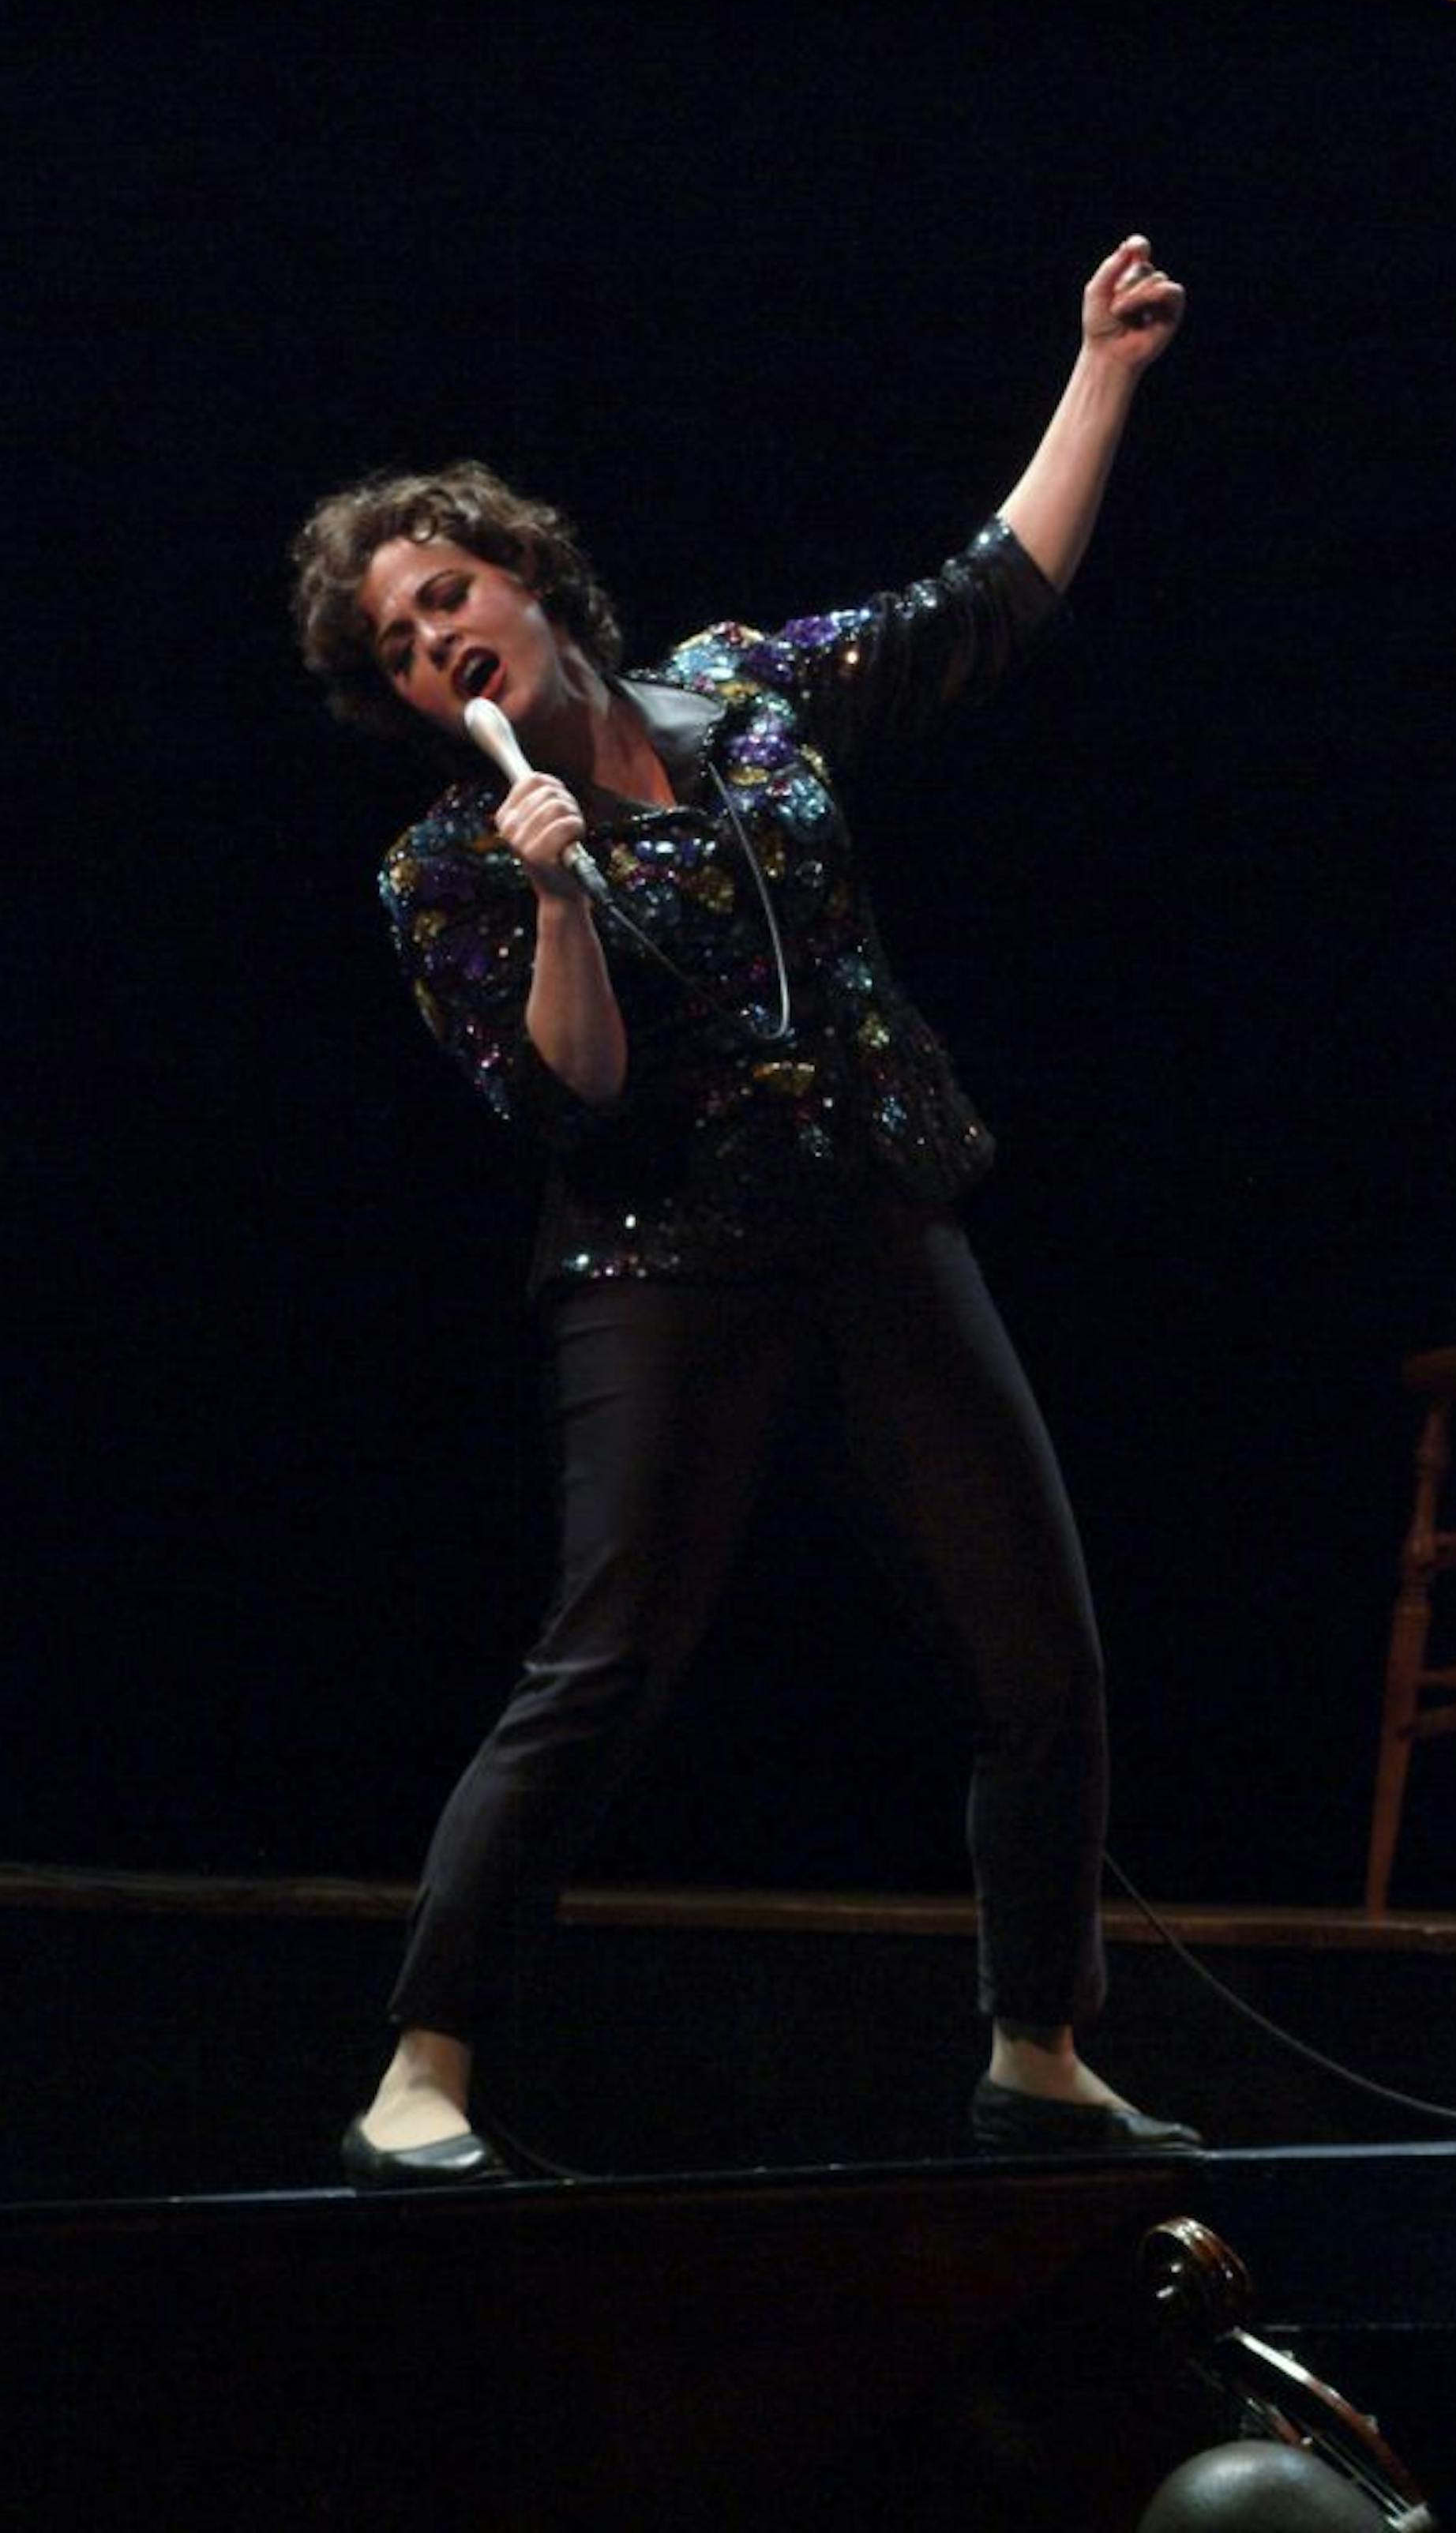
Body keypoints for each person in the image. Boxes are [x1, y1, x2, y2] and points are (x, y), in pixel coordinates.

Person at [291, 233, 1198, 2183]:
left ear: (527, 577)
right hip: (666, 1259)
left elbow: (982, 603)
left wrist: (1104, 370)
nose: (437, 634)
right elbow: (576, 1095)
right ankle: (422, 2072)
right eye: (396, 642)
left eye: (449, 589)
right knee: (607, 1657)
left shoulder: (745, 697)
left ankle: (1037, 2046)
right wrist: (556, 894)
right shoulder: (444, 868)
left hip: (877, 1218)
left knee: (1044, 1655)